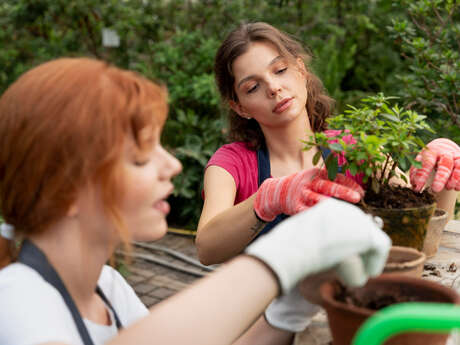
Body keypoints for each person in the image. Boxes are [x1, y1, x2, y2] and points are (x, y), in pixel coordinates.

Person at [0, 57, 391, 345]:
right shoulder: (15, 300)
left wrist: (287, 312)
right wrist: (286, 254)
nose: (171, 165)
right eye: (139, 157)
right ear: (64, 191)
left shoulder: (106, 288)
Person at [195, 21, 459, 341]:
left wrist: (443, 174)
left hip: (355, 317)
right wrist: (267, 199)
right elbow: (207, 247)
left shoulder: (354, 148)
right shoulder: (232, 163)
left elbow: (419, 234)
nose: (274, 88)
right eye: (252, 87)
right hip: (264, 329)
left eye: (279, 70)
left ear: (301, 70)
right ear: (239, 107)